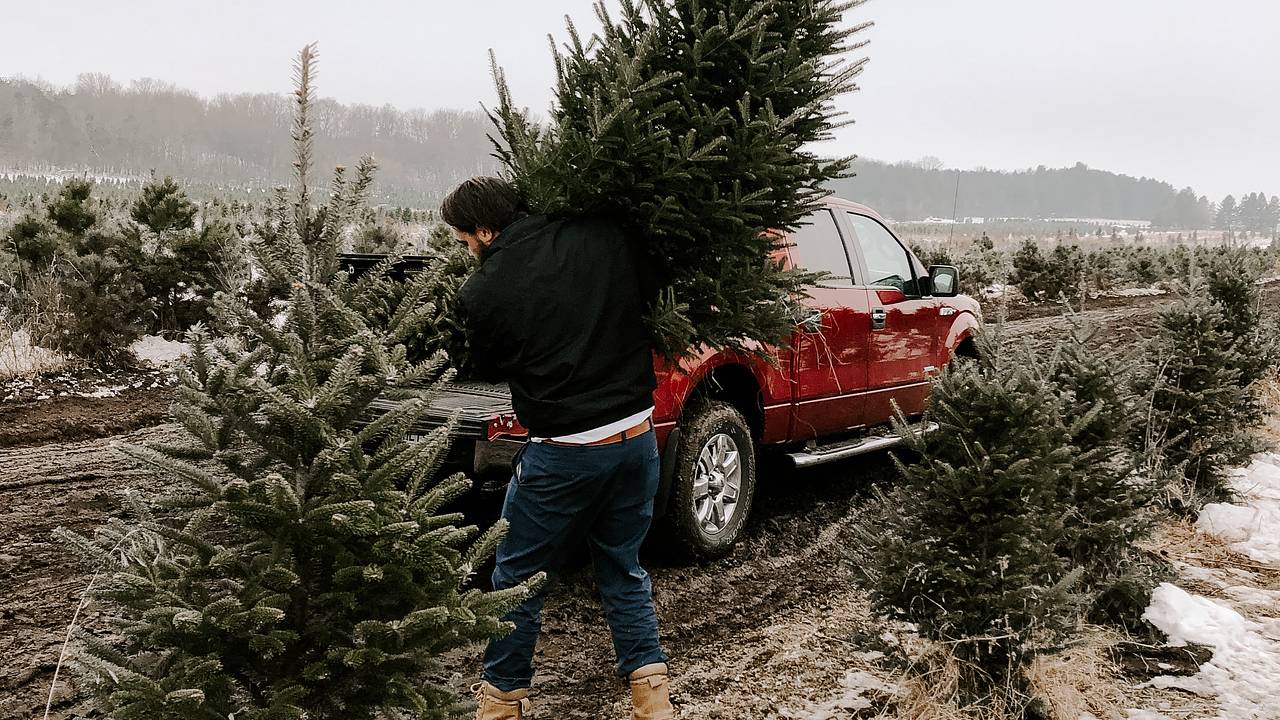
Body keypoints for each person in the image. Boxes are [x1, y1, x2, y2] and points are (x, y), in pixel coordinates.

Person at [441, 176, 674, 720]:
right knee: (623, 568)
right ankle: (654, 705)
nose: (466, 251)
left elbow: (491, 366)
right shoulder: (603, 234)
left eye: (464, 240)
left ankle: (500, 704)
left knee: (516, 580)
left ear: (484, 228)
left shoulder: (484, 291)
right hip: (637, 439)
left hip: (564, 452)